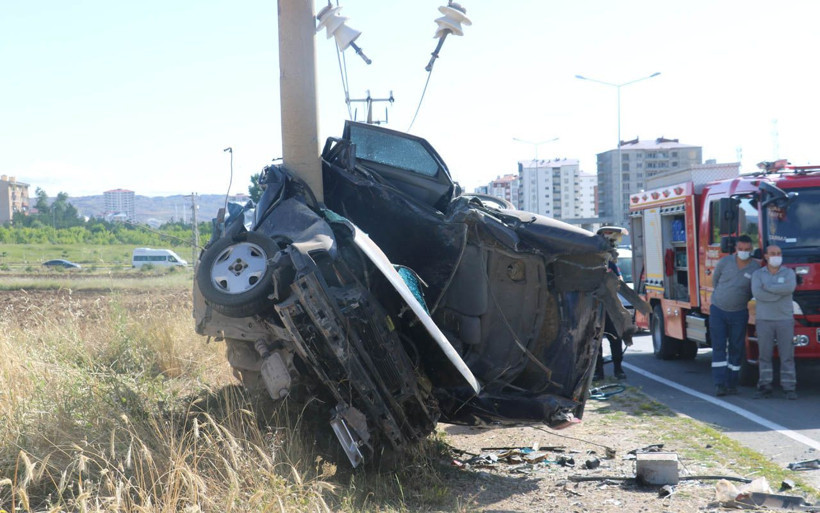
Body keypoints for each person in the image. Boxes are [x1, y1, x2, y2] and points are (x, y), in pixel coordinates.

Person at [710, 235, 760, 396]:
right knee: (718, 347)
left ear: (751, 250)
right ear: (736, 249)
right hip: (718, 310)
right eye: (741, 249)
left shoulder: (755, 268)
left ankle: (732, 383)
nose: (743, 252)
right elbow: (715, 281)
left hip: (739, 313)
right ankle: (719, 384)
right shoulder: (725, 262)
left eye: (747, 250)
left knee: (736, 348)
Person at [751, 245, 798, 399]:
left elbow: (789, 288)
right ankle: (765, 386)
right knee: (764, 355)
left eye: (779, 253)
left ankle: (789, 387)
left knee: (787, 355)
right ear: (766, 256)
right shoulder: (758, 274)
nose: (776, 256)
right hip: (764, 320)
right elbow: (758, 294)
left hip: (784, 319)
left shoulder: (789, 273)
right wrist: (779, 291)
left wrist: (769, 288)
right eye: (773, 253)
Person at [594, 226, 631, 381]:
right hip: (595, 307)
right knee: (596, 342)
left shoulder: (611, 263)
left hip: (610, 307)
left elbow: (619, 282)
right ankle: (598, 372)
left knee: (615, 338)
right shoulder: (591, 260)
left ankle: (618, 369)